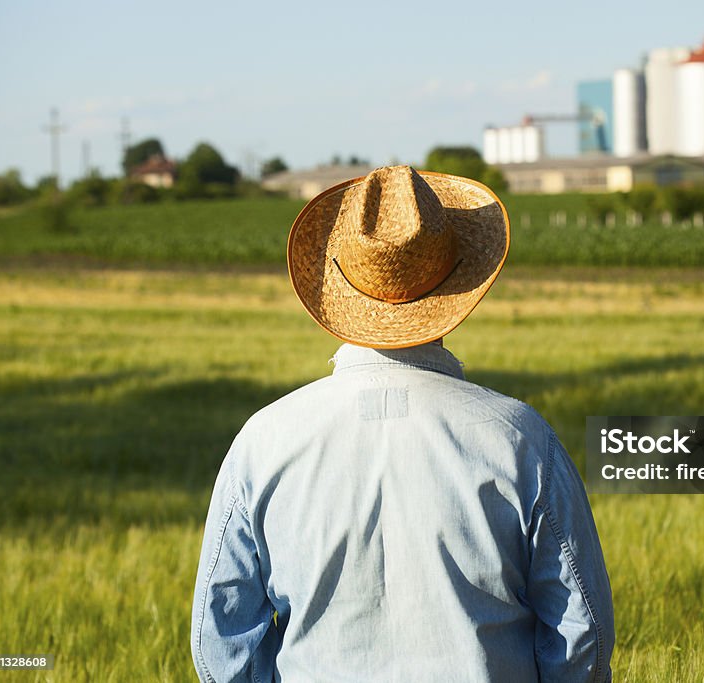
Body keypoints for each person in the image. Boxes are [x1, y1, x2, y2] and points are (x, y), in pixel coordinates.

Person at [191, 165, 614, 682]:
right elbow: (579, 633)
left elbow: (221, 635)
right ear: (457, 286)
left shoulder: (264, 440)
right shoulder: (519, 438)